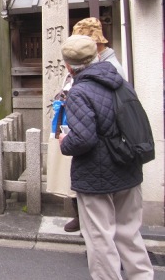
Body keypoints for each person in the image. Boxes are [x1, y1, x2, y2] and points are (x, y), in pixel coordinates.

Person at [58, 35, 153, 279]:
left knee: (100, 239)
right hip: (128, 166)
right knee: (130, 234)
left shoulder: (79, 91)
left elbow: (84, 139)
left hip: (95, 175)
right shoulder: (121, 82)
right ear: (97, 56)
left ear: (69, 65)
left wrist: (64, 142)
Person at [56, 18, 126, 233]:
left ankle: (104, 257)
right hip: (93, 139)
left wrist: (66, 143)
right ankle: (81, 218)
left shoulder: (110, 69)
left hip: (101, 150)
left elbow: (91, 132)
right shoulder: (93, 68)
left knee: (101, 230)